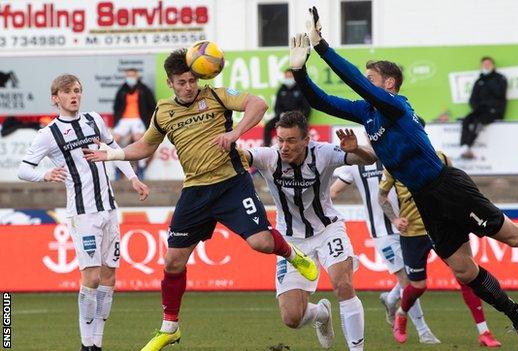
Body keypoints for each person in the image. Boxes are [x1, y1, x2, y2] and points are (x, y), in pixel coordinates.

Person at [289, 7, 518, 350]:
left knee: (511, 237)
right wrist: (299, 70)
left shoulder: (397, 106)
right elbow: (321, 100)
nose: (367, 83)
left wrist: (324, 48)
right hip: (426, 199)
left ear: (389, 84)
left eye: (373, 78)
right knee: (464, 270)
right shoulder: (368, 114)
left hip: (448, 186)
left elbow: (357, 84)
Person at [83, 49, 318, 351]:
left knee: (260, 243)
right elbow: (144, 146)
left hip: (231, 184)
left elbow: (258, 105)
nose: (188, 87)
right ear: (170, 83)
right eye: (181, 82)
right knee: (173, 261)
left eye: (192, 80)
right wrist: (112, 154)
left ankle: (294, 255)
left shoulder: (217, 96)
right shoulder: (164, 111)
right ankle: (170, 328)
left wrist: (234, 133)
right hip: (195, 191)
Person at [17, 74, 150, 351]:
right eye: (67, 92)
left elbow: (114, 149)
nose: (74, 96)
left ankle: (97, 344)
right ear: (56, 98)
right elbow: (23, 169)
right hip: (82, 213)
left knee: (110, 277)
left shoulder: (93, 120)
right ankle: (85, 344)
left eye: (77, 90)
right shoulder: (48, 134)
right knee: (91, 277)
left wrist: (133, 177)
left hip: (109, 209)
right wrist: (45, 174)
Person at [245, 111, 375, 350]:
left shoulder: (323, 153)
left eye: (291, 140)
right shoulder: (268, 157)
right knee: (292, 318)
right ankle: (321, 314)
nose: (284, 146)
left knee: (343, 284)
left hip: (327, 229)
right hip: (290, 240)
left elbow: (368, 159)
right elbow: (242, 156)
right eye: (280, 140)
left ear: (306, 140)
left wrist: (356, 149)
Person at [378, 152, 501, 347]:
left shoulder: (439, 157)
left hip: (441, 228)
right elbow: (382, 196)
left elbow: (454, 184)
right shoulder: (393, 163)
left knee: (467, 277)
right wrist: (394, 218)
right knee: (418, 286)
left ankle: (484, 332)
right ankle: (402, 313)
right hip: (413, 233)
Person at [330, 161, 442, 345]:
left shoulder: (393, 157)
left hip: (409, 227)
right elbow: (333, 192)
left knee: (414, 277)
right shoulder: (354, 164)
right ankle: (423, 331)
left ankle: (390, 299)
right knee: (406, 279)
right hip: (382, 232)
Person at [112, 68, 157, 179]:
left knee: (139, 140)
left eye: (132, 76)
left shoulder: (144, 89)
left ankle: (141, 168)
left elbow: (152, 105)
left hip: (138, 119)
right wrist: (116, 121)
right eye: (128, 76)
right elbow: (116, 107)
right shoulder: (122, 89)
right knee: (113, 140)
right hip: (124, 120)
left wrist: (148, 122)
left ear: (137, 76)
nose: (130, 78)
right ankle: (118, 167)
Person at [459, 57, 507, 160]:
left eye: (488, 64)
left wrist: (488, 80)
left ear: (493, 66)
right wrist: (476, 107)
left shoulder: (500, 79)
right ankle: (464, 147)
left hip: (494, 111)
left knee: (478, 122)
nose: (486, 66)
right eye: (484, 64)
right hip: (480, 110)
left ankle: (468, 145)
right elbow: (472, 98)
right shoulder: (479, 80)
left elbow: (500, 94)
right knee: (466, 120)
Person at [263, 69, 311, 146]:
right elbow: (277, 107)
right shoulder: (282, 89)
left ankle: (301, 146)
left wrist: (295, 115)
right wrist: (281, 114)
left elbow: (306, 109)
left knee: (299, 128)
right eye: (286, 77)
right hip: (283, 117)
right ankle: (266, 146)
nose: (288, 79)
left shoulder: (301, 88)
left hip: (298, 118)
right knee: (268, 126)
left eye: (290, 76)